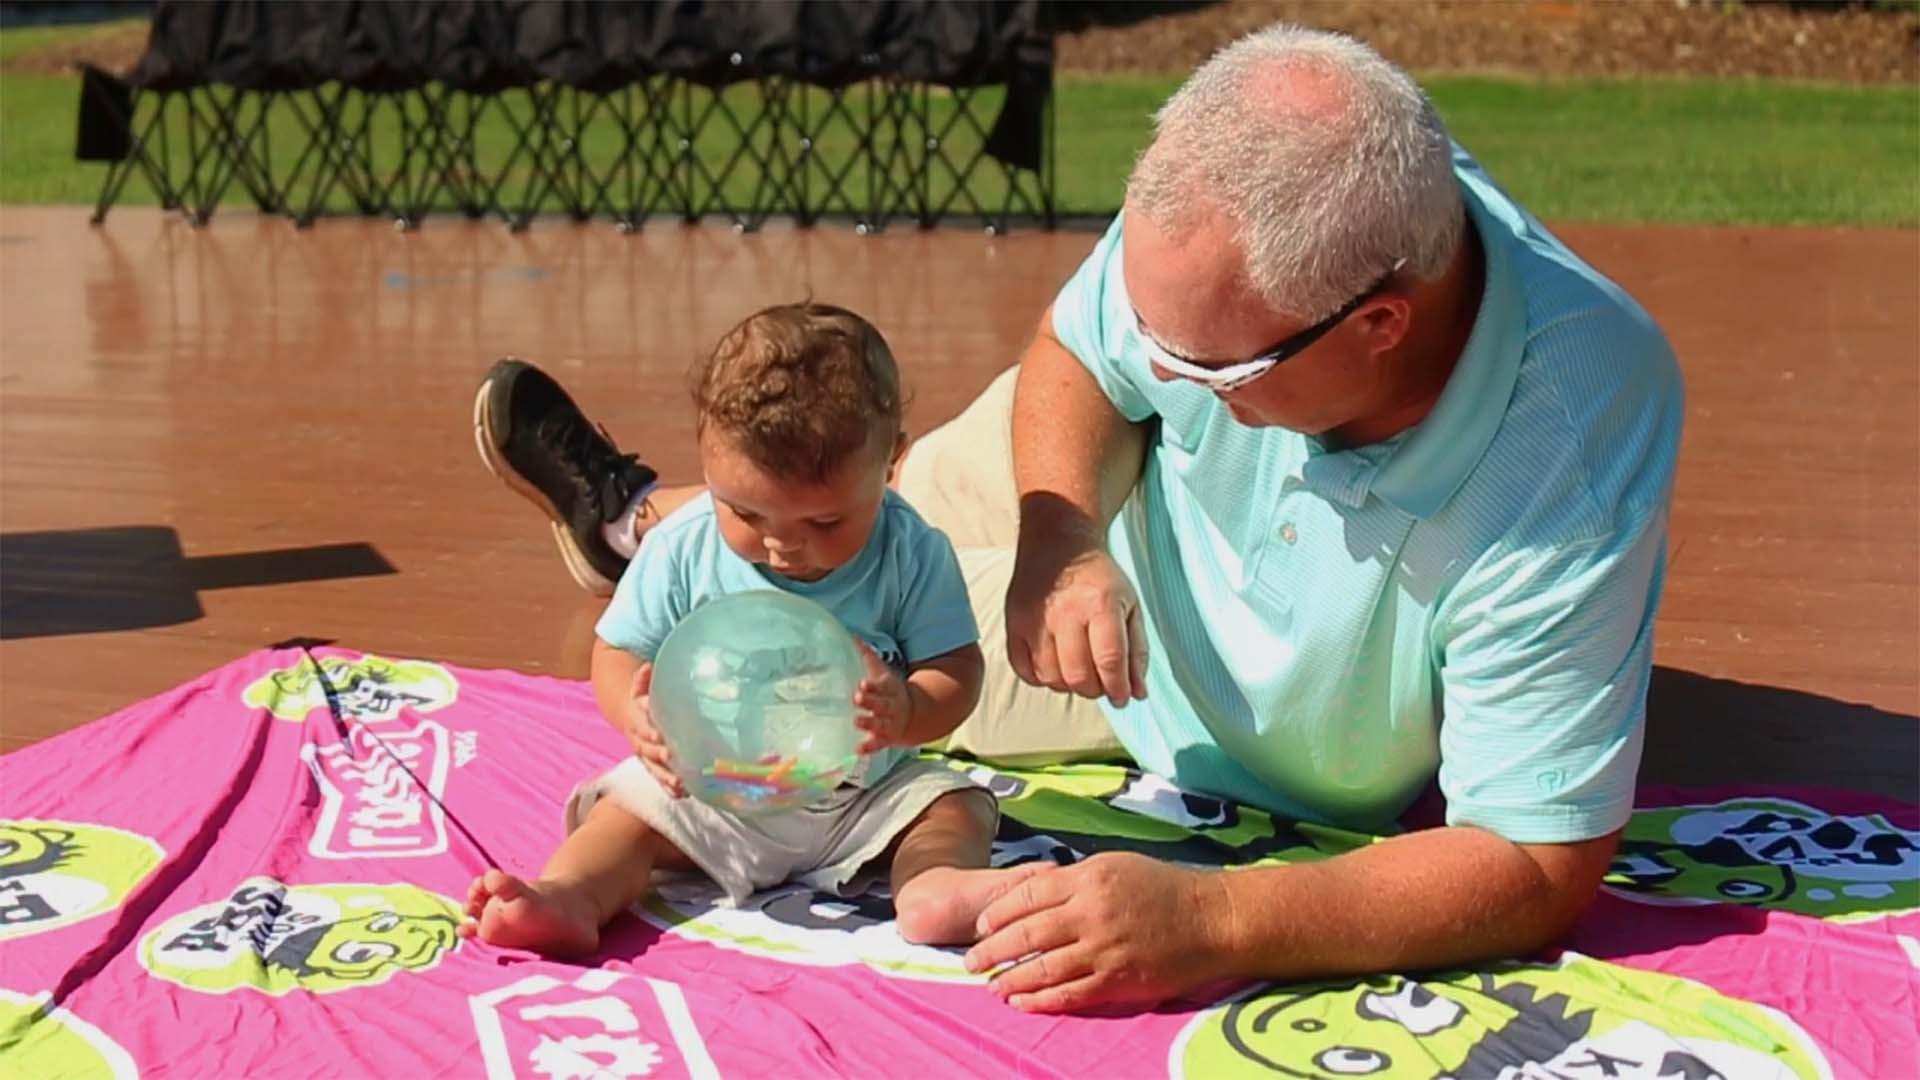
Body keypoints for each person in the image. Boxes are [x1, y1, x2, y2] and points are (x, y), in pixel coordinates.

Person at [473, 26, 1683, 1013]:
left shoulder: (1567, 441)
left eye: (1199, 366)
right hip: (1070, 494)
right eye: (1146, 325)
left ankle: (633, 522)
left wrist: (1216, 918)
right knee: (830, 520)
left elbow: (1532, 859)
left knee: (824, 653)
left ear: (1380, 325)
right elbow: (1083, 354)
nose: (1152, 370)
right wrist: (1060, 538)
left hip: (1154, 684)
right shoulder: (1243, 236)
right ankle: (639, 519)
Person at [461, 303, 1039, 957]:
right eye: (745, 513)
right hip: (719, 791)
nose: (783, 547)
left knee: (954, 805)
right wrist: (637, 716)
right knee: (627, 809)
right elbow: (616, 650)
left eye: (824, 525)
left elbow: (957, 671)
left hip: (866, 796)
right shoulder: (683, 544)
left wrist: (909, 708)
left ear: (891, 464)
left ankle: (936, 890)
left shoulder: (911, 550)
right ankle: (570, 895)